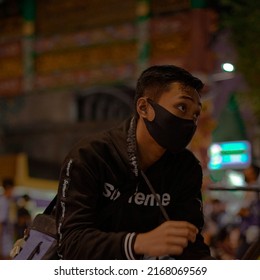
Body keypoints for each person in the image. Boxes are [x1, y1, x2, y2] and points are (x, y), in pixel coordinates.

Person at [55, 65, 213, 260]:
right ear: (144, 108)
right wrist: (138, 243)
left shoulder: (187, 169)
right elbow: (70, 243)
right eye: (182, 107)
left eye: (196, 115)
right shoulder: (91, 156)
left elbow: (190, 246)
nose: (190, 121)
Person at [0, 178, 17, 259]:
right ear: (9, 188)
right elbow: (1, 221)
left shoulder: (9, 201)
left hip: (8, 235)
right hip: (4, 235)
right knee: (5, 257)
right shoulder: (3, 201)